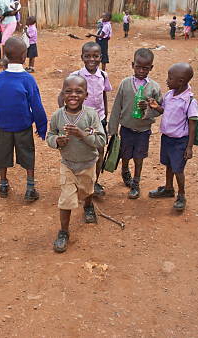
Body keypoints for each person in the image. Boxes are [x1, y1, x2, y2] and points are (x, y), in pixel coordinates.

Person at [48, 75, 107, 253]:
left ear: (86, 95)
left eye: (78, 92)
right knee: (66, 199)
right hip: (68, 164)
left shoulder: (91, 115)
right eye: (68, 91)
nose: (73, 95)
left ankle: (88, 206)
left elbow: (101, 140)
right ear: (62, 94)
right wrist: (57, 141)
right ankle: (64, 232)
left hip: (88, 164)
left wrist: (82, 134)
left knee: (87, 191)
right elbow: (49, 136)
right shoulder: (58, 115)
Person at [0, 37, 47, 202]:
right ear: (24, 56)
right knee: (27, 154)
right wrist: (41, 126)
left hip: (2, 125)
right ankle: (30, 188)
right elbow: (36, 105)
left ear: (5, 56)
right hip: (22, 125)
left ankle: (3, 185)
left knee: (2, 155)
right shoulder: (28, 79)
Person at [59, 41, 112, 197]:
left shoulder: (103, 75)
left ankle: (94, 182)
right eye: (87, 56)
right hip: (81, 121)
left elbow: (104, 94)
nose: (92, 59)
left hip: (99, 119)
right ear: (82, 57)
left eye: (95, 56)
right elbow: (62, 96)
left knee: (99, 151)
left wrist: (105, 114)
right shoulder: (76, 76)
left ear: (101, 57)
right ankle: (76, 181)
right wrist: (65, 114)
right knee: (82, 151)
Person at [108, 48, 162, 199]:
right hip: (126, 129)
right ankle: (125, 172)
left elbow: (160, 109)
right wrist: (112, 129)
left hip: (143, 130)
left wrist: (149, 108)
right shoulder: (125, 84)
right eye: (138, 66)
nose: (141, 70)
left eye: (145, 68)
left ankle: (136, 183)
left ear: (151, 68)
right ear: (133, 65)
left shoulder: (154, 88)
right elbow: (117, 107)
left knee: (139, 158)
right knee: (125, 155)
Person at [147, 62, 197, 211]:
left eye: (170, 78)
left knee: (178, 169)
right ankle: (168, 188)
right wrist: (157, 107)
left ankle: (181, 195)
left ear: (181, 81)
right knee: (169, 165)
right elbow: (165, 111)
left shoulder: (189, 101)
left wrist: (189, 147)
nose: (167, 80)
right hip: (167, 138)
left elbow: (192, 124)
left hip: (180, 141)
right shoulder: (169, 95)